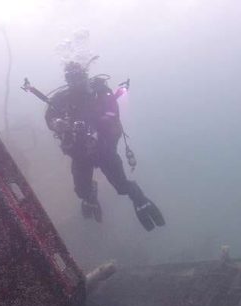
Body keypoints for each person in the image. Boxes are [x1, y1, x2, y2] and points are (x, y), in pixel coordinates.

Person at [44, 60, 165, 231]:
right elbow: (49, 117)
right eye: (71, 78)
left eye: (78, 77)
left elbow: (113, 112)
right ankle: (90, 195)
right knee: (81, 191)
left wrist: (94, 123)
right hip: (79, 155)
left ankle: (140, 200)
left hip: (104, 150)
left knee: (122, 186)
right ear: (67, 79)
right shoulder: (61, 99)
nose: (75, 82)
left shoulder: (101, 92)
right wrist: (57, 123)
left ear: (85, 76)